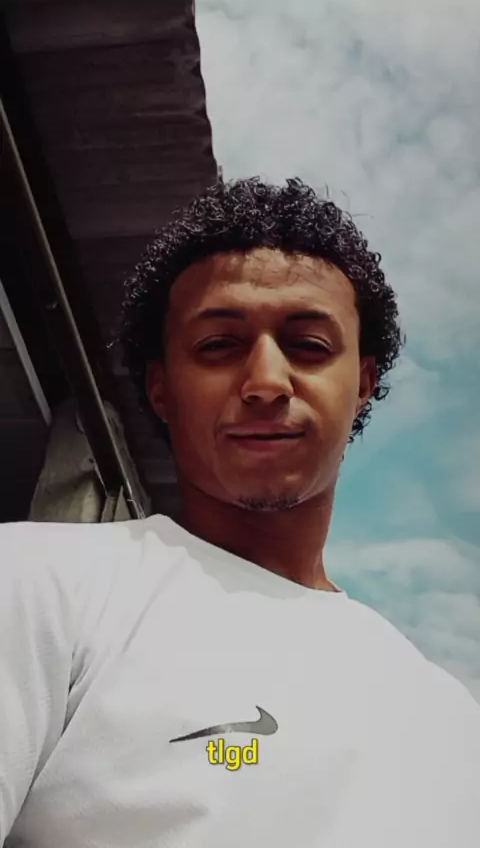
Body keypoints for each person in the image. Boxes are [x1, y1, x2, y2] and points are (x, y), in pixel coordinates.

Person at [1, 178, 479, 848]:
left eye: (309, 346)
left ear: (364, 382)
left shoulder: (451, 720)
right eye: (218, 345)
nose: (266, 383)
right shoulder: (35, 583)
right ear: (161, 388)